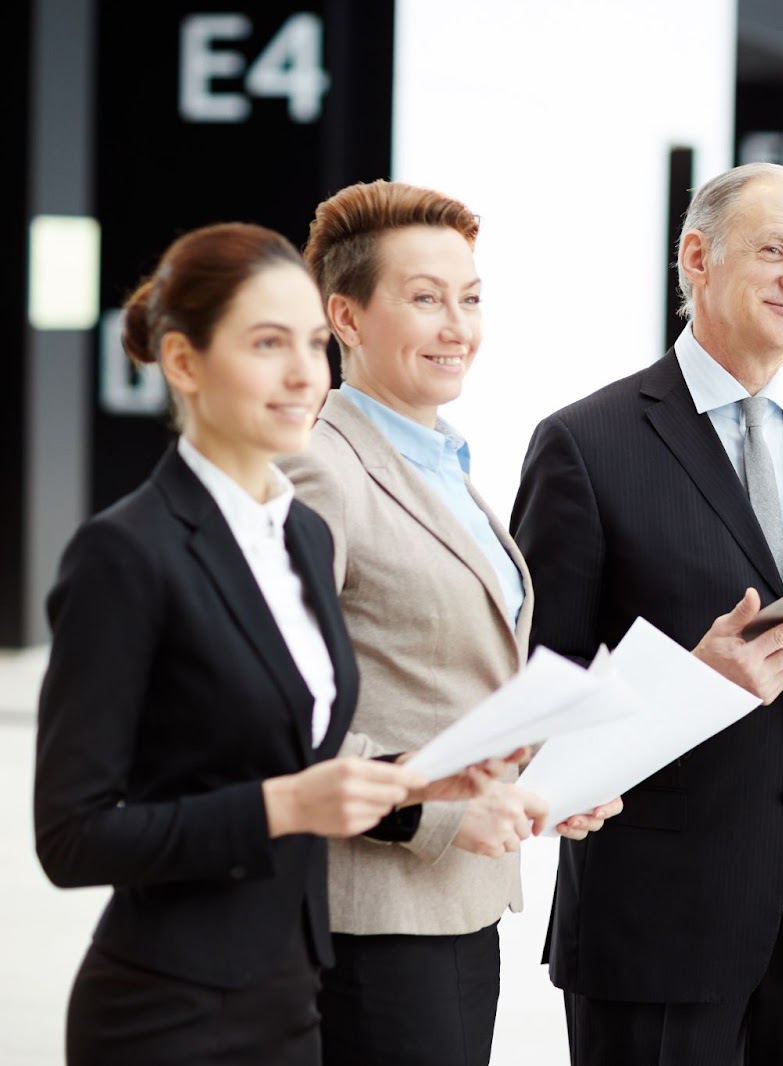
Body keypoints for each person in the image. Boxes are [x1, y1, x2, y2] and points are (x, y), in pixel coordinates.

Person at [32, 222, 494, 1064]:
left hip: (292, 999)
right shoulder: (126, 552)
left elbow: (295, 745)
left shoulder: (300, 540)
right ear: (183, 364)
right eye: (267, 344)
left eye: (313, 345)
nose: (301, 376)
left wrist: (417, 780)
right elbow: (72, 837)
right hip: (165, 1014)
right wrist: (284, 807)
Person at [511, 161, 783, 1066]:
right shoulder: (585, 445)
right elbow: (536, 699)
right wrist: (684, 684)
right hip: (659, 918)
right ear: (696, 257)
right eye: (777, 250)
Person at [281, 180, 620, 1066]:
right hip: (371, 912)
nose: (457, 326)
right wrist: (434, 817)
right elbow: (275, 711)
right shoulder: (322, 470)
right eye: (425, 299)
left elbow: (456, 677)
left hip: (462, 902)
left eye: (470, 299)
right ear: (344, 317)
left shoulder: (443, 465)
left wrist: (557, 772)